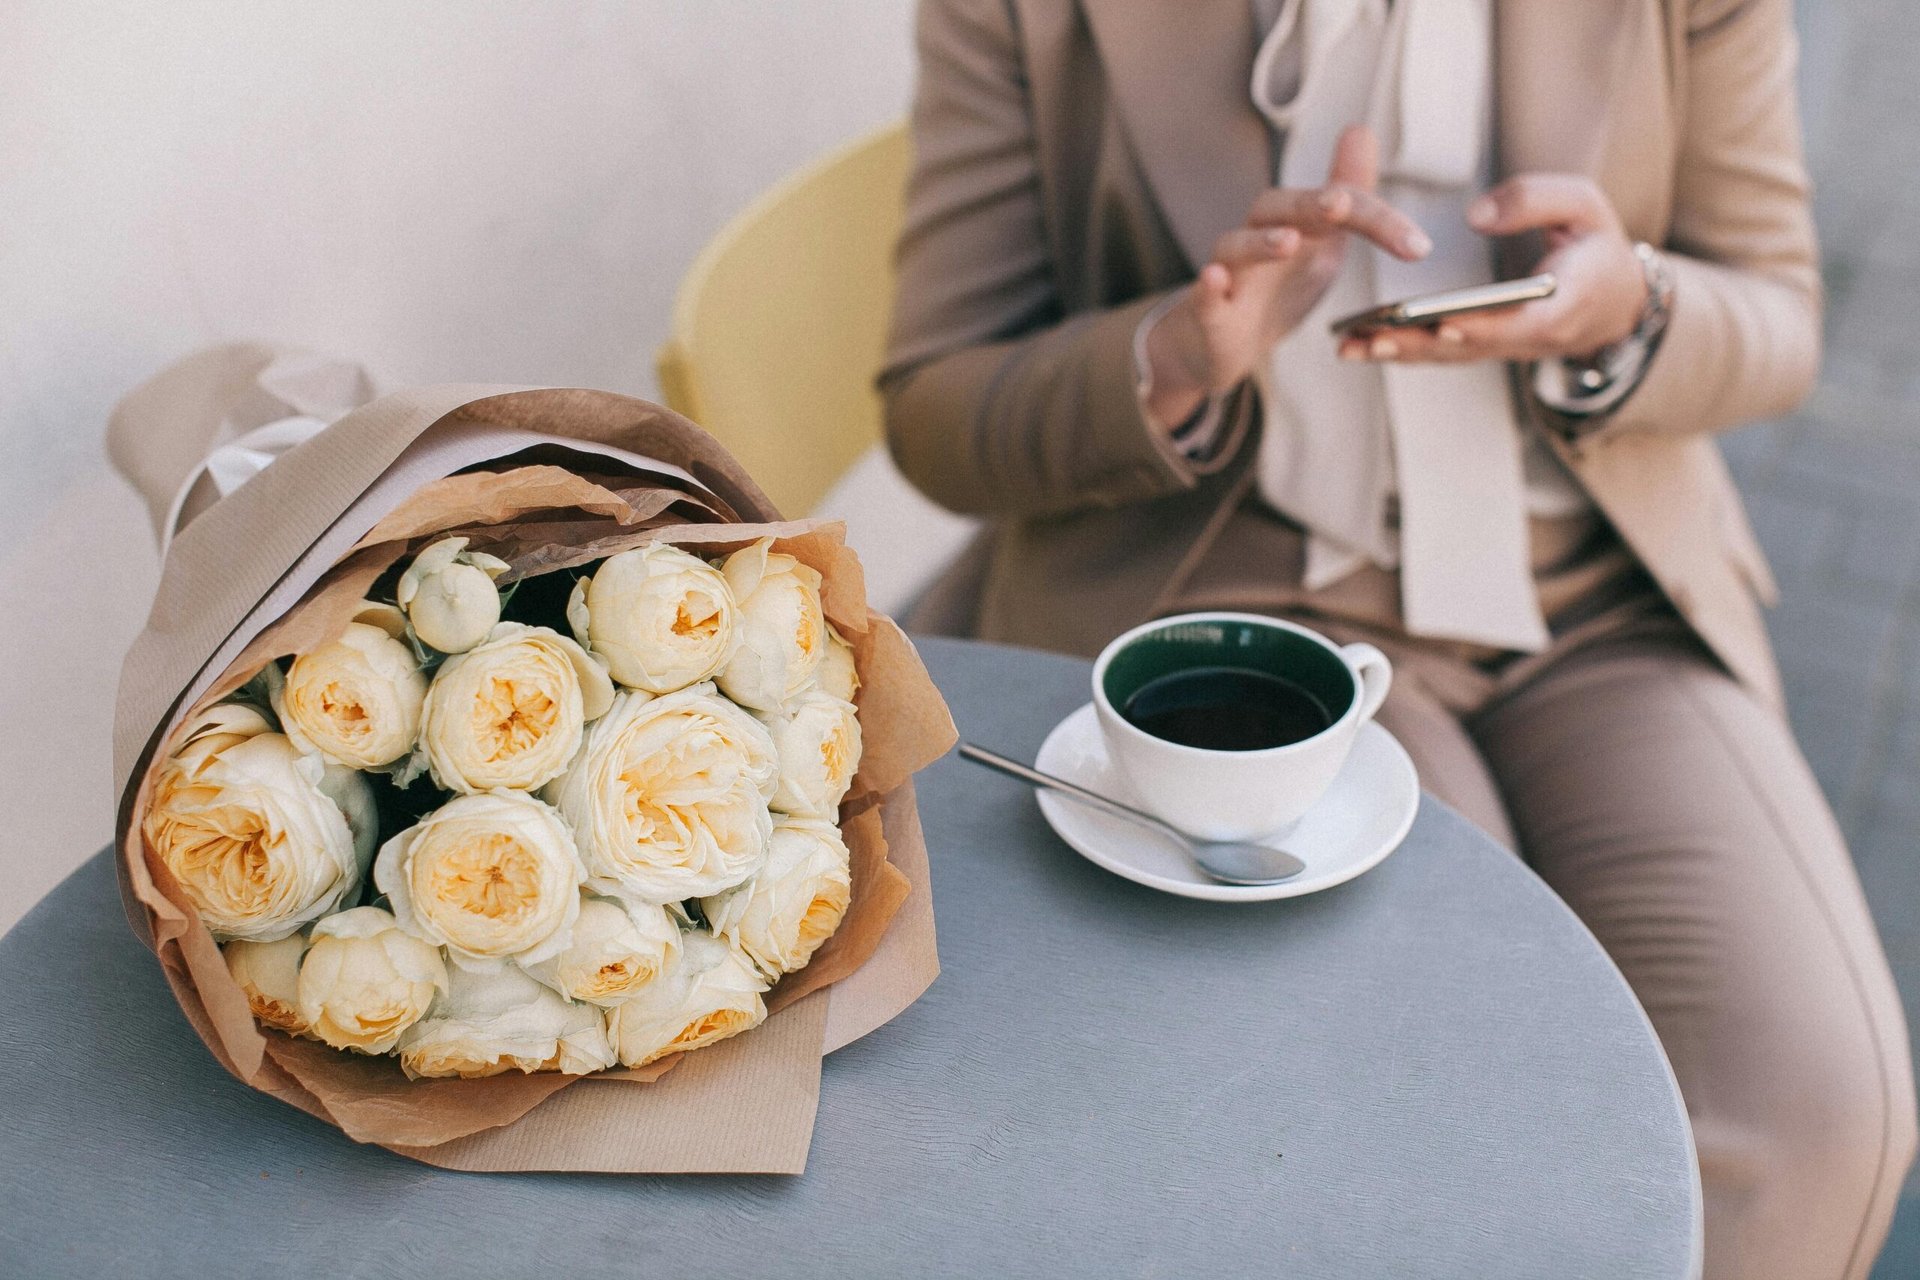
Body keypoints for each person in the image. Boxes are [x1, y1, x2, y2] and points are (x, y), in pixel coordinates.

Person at [879, 1, 1918, 1275]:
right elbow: (934, 408)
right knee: (1462, 1094)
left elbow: (1778, 319)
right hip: (1250, 618)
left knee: (1818, 1115)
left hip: (1601, 597)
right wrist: (1173, 354)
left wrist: (1629, 305)